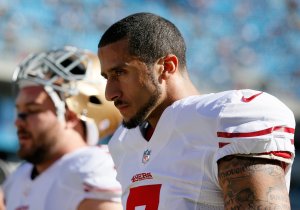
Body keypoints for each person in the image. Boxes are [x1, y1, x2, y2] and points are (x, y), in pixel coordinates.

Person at [97, 12, 296, 210]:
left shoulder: (225, 117)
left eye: (120, 73)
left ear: (166, 67)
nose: (109, 93)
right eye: (107, 77)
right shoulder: (123, 141)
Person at [2, 46, 123, 210]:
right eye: (19, 111)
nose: (18, 121)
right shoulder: (19, 177)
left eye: (32, 110)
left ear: (70, 116)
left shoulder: (92, 169)